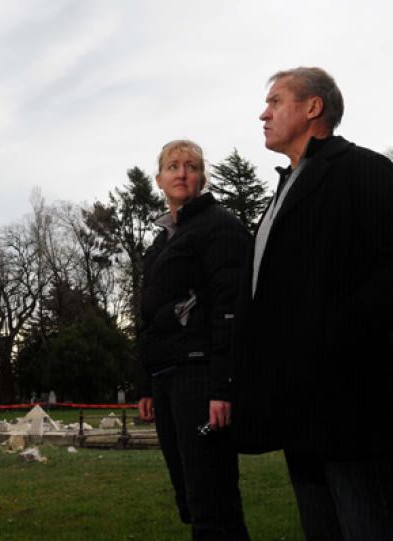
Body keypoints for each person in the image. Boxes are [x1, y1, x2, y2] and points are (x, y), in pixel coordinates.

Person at [234, 67, 393, 540]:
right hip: (296, 406)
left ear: (313, 108)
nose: (263, 113)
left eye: (276, 101)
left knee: (372, 524)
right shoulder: (285, 190)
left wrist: (330, 336)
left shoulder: (362, 170)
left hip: (347, 401)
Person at [137, 139, 251, 540]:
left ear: (202, 177)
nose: (181, 172)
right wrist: (147, 383)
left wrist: (223, 387)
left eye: (190, 166)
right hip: (167, 377)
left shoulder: (219, 226)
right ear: (159, 179)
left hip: (200, 376)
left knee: (213, 500)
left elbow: (229, 310)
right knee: (189, 495)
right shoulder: (161, 242)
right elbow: (148, 315)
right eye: (172, 166)